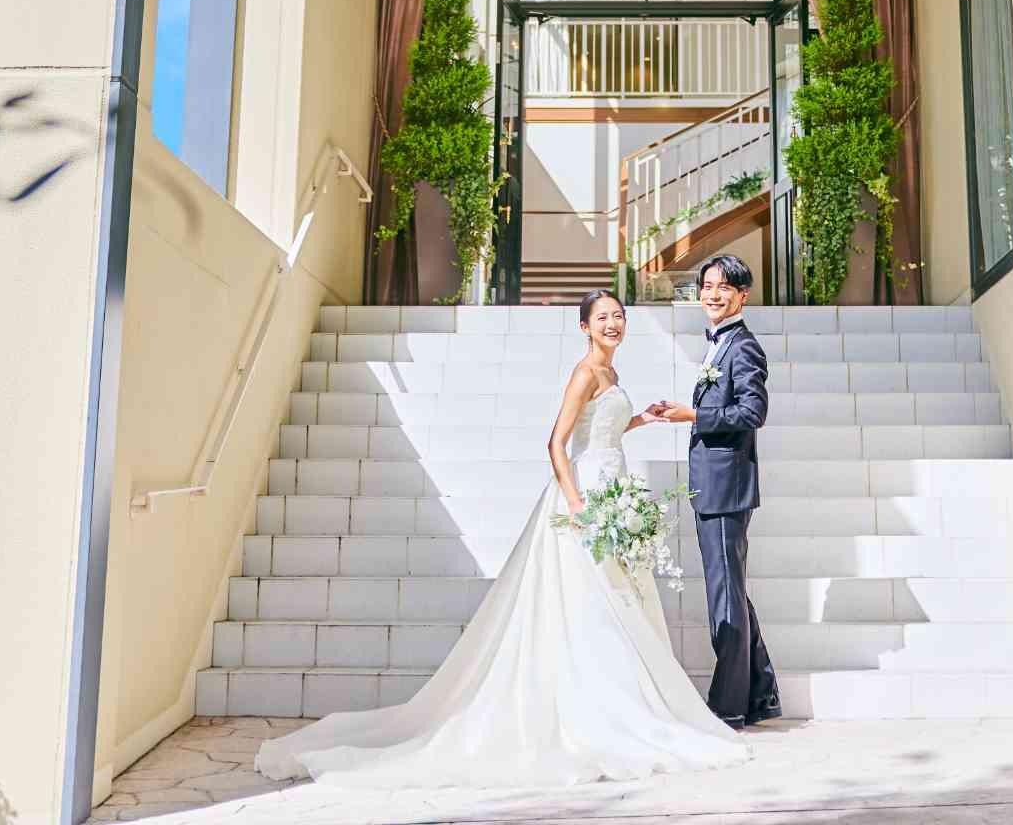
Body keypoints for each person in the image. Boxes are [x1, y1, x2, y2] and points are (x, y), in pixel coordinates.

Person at [255, 291, 747, 790]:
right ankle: (598, 708)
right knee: (590, 599)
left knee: (620, 596)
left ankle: (626, 702)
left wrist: (643, 418)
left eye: (618, 316)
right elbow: (557, 443)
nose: (613, 323)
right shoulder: (584, 373)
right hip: (587, 497)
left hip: (613, 488)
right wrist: (576, 503)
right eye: (603, 318)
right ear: (584, 326)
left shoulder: (611, 372)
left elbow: (603, 434)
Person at [645, 253, 781, 730]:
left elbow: (752, 413)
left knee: (725, 598)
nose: (713, 294)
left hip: (726, 488)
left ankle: (728, 706)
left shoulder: (743, 347)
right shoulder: (720, 343)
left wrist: (693, 416)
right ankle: (761, 695)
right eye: (707, 286)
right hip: (715, 485)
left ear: (743, 295)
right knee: (732, 593)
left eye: (724, 287)